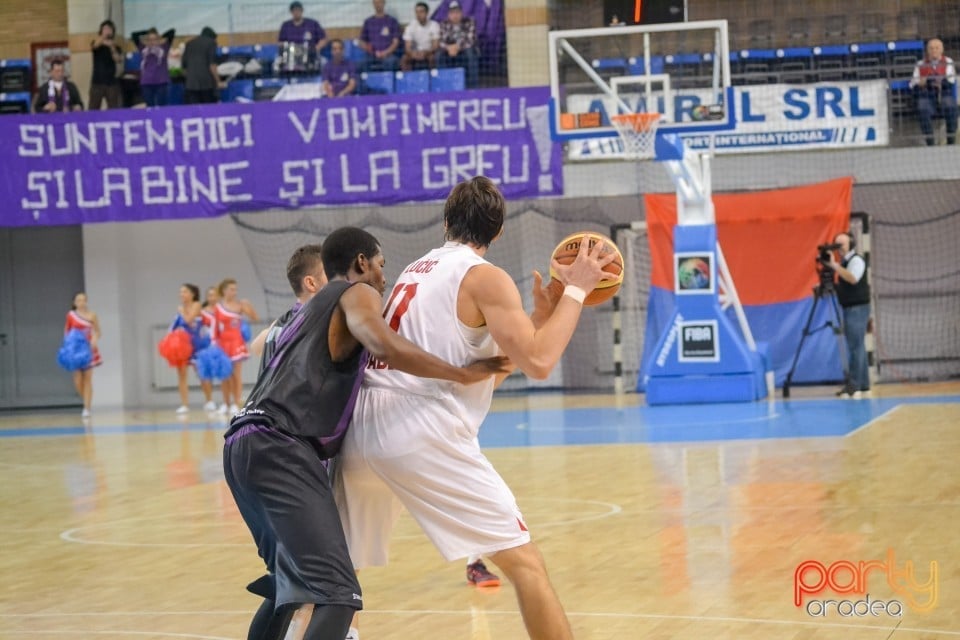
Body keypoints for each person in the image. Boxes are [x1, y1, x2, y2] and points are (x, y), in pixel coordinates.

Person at [336, 176, 615, 640]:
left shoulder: (413, 270)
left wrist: (540, 320)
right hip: (419, 428)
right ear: (499, 232)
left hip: (361, 424)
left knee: (340, 575)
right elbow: (540, 362)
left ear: (445, 222)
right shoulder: (485, 277)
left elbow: (496, 364)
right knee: (526, 564)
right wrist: (577, 291)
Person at [222, 226, 507, 640]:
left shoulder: (300, 314)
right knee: (338, 595)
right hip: (281, 445)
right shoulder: (353, 292)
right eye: (380, 265)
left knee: (287, 587)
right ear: (360, 263)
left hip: (241, 444)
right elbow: (382, 344)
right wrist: (460, 373)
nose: (383, 277)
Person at [251, 244, 327, 365]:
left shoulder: (280, 323)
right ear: (311, 283)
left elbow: (256, 347)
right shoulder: (319, 323)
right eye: (330, 273)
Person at [826, 231, 871, 398]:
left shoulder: (856, 260)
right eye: (836, 244)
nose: (839, 248)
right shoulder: (844, 262)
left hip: (857, 308)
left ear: (851, 245)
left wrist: (835, 266)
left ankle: (854, 384)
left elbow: (852, 279)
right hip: (850, 307)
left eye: (842, 244)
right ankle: (864, 384)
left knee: (855, 347)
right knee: (858, 346)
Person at [213, 279, 259, 415]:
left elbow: (255, 318)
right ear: (224, 290)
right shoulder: (218, 307)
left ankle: (235, 403)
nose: (235, 292)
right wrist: (214, 344)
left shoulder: (240, 305)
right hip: (222, 344)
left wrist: (249, 305)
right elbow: (214, 328)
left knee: (236, 375)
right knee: (224, 375)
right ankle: (226, 403)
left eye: (235, 289)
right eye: (232, 289)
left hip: (237, 343)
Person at [910, 38, 957, 146]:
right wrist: (924, 82)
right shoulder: (920, 63)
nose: (934, 50)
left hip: (944, 94)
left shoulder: (948, 61)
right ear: (927, 50)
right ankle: (930, 142)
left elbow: (950, 80)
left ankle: (951, 141)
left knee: (951, 106)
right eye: (931, 48)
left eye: (937, 48)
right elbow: (913, 83)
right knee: (922, 108)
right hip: (926, 95)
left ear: (942, 50)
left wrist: (933, 80)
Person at [65, 292, 102, 418]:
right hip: (75, 350)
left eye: (83, 300)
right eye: (78, 300)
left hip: (89, 350)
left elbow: (98, 331)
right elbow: (66, 331)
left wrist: (95, 340)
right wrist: (68, 347)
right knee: (77, 379)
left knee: (88, 378)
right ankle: (86, 399)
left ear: (86, 301)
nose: (81, 302)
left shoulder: (92, 315)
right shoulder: (71, 315)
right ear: (74, 303)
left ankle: (87, 407)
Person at [170, 284, 204, 414]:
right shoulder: (180, 309)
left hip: (196, 343)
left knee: (201, 373)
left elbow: (189, 320)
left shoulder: (196, 305)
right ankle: (184, 404)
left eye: (184, 292)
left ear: (192, 294)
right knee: (182, 374)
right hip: (183, 345)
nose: (182, 294)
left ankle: (209, 401)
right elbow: (176, 326)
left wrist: (182, 311)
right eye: (181, 292)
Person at [437, 1, 479, 88]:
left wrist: (458, 47)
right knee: (439, 55)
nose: (455, 15)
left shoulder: (469, 22)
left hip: (465, 49)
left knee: (470, 53)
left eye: (457, 12)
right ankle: (444, 85)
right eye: (452, 13)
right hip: (449, 51)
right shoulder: (444, 24)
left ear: (461, 13)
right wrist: (448, 48)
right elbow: (441, 41)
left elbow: (471, 40)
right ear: (448, 14)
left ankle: (473, 86)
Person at [279, 1, 328, 65]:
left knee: (324, 62)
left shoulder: (312, 24)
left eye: (298, 10)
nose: (296, 12)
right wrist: (289, 48)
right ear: (291, 12)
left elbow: (323, 39)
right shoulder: (286, 25)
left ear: (302, 11)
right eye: (294, 10)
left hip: (311, 56)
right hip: (292, 56)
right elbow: (280, 42)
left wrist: (316, 49)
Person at [89, 20, 123, 110]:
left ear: (113, 31)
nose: (107, 31)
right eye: (105, 29)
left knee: (114, 108)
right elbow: (94, 46)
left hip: (111, 82)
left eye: (109, 29)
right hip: (97, 81)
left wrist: (111, 46)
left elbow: (118, 59)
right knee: (93, 108)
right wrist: (103, 37)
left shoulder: (116, 47)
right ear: (101, 30)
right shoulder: (96, 43)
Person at [359, 0, 401, 72]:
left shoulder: (392, 21)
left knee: (390, 62)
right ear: (373, 4)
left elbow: (395, 42)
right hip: (372, 54)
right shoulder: (368, 22)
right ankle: (369, 83)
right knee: (363, 63)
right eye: (375, 2)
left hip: (388, 55)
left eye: (379, 2)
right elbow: (361, 41)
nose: (378, 5)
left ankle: (387, 82)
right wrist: (369, 49)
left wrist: (385, 53)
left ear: (384, 3)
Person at [182, 27, 221, 105]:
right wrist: (218, 81)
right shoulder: (211, 43)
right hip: (207, 84)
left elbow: (184, 68)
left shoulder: (189, 44)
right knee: (209, 111)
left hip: (190, 85)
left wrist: (189, 80)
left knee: (193, 111)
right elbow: (212, 65)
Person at [139, 27, 175, 107]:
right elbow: (134, 35)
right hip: (146, 82)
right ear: (147, 40)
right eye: (150, 39)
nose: (152, 42)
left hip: (161, 82)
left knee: (162, 107)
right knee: (149, 107)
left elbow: (172, 32)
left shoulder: (164, 48)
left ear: (158, 39)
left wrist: (160, 38)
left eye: (154, 39)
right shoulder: (143, 49)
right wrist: (146, 33)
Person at [401, 2, 440, 71]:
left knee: (433, 58)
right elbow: (407, 47)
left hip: (429, 52)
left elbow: (435, 46)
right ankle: (408, 79)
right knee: (404, 59)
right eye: (417, 12)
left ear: (427, 13)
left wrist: (426, 52)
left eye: (421, 12)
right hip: (415, 52)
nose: (418, 14)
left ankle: (431, 79)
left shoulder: (434, 25)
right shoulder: (411, 26)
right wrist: (413, 53)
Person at [199, 287, 220, 412]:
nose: (212, 298)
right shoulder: (201, 312)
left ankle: (228, 402)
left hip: (221, 346)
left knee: (225, 374)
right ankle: (209, 400)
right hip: (206, 346)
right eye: (210, 295)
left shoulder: (223, 311)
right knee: (205, 374)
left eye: (214, 295)